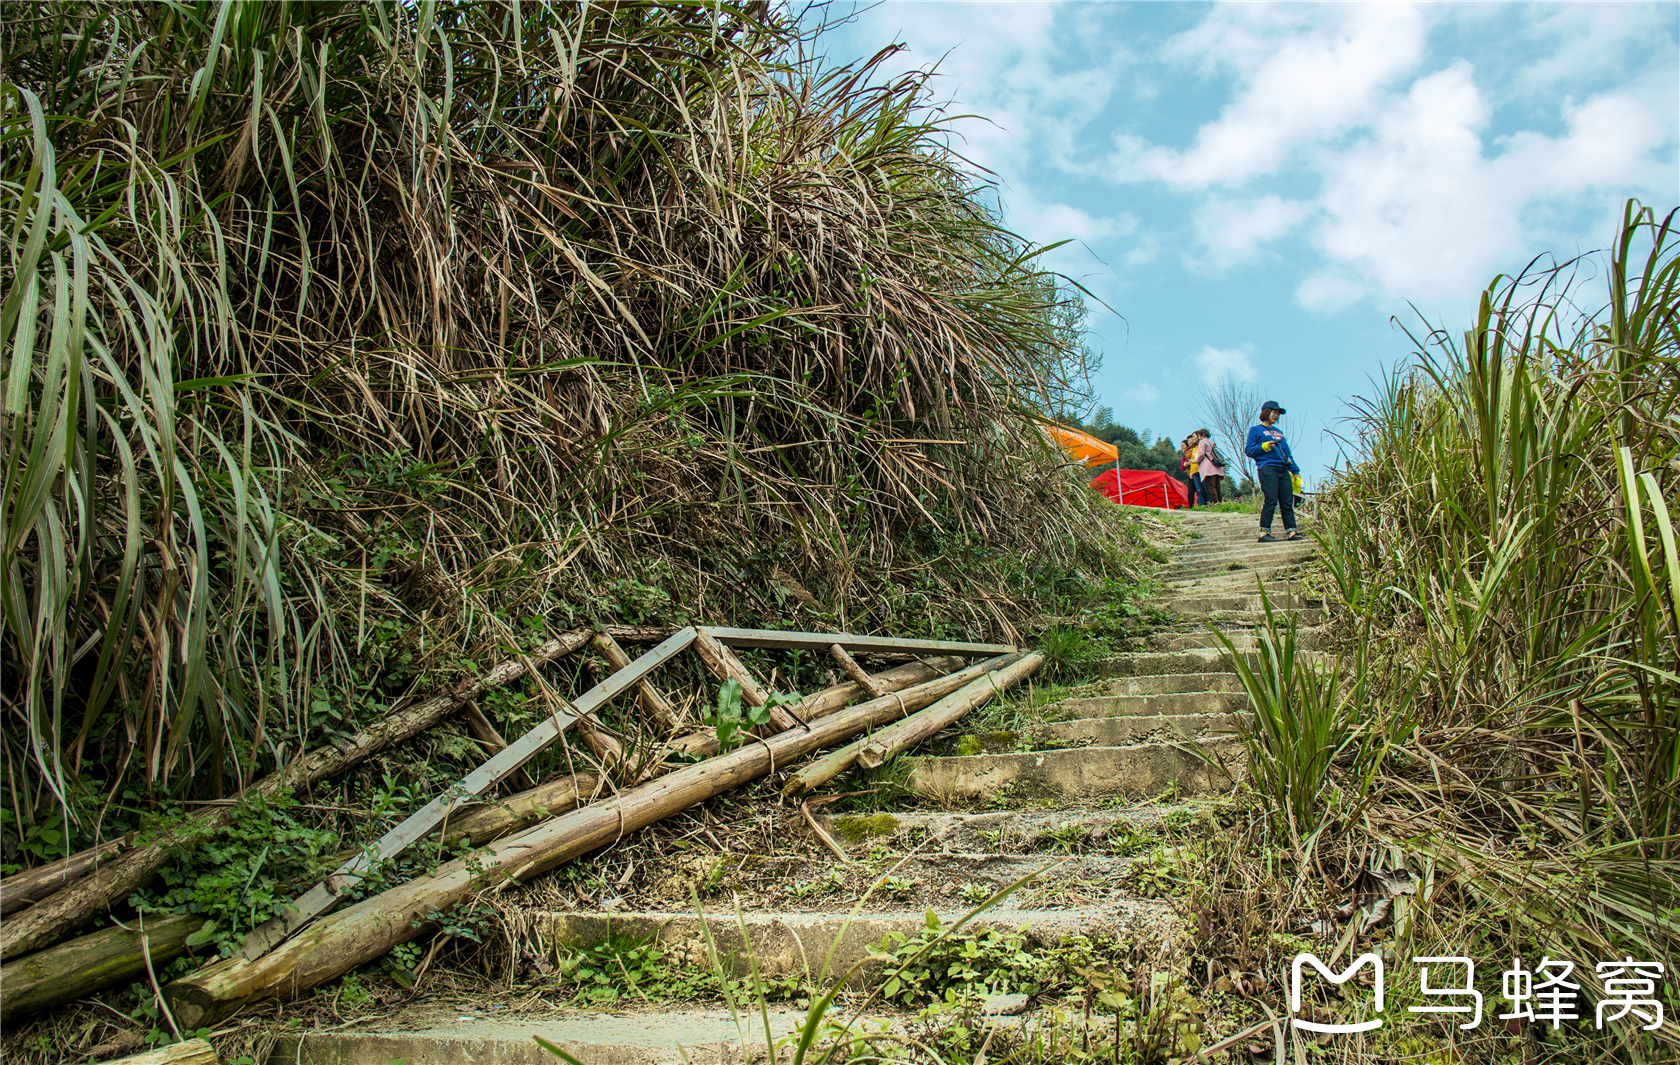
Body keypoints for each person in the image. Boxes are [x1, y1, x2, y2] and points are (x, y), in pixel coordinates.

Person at [1244, 400, 1302, 542]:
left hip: (1283, 469)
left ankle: (1292, 532)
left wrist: (1295, 471)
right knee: (1271, 499)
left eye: (1278, 413)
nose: (1276, 415)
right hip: (1267, 468)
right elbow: (1249, 450)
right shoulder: (1256, 430)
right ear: (1266, 412)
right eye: (1274, 412)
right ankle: (1264, 533)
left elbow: (1287, 453)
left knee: (1287, 501)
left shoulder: (1279, 432)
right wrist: (1264, 446)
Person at [1194, 429, 1224, 504]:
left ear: (1201, 435)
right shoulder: (1211, 442)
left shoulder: (1202, 442)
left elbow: (1201, 454)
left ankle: (1215, 503)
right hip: (1216, 466)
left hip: (1208, 468)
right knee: (1217, 487)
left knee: (1211, 487)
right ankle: (1220, 502)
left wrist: (1195, 460)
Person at [1179, 436, 1202, 508]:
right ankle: (1192, 507)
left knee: (1199, 490)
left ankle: (1199, 506)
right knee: (1191, 492)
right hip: (1190, 472)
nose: (1181, 447)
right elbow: (1182, 467)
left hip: (1196, 472)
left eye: (1183, 445)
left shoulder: (1194, 450)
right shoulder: (1186, 454)